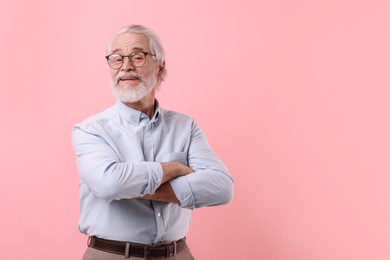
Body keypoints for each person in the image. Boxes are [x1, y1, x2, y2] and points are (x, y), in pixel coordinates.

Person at [72, 24, 234, 260]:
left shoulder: (185, 126)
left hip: (178, 254)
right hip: (112, 254)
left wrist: (132, 185)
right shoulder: (90, 130)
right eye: (116, 59)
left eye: (137, 57)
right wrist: (173, 169)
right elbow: (110, 184)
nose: (126, 66)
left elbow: (222, 188)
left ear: (160, 66)